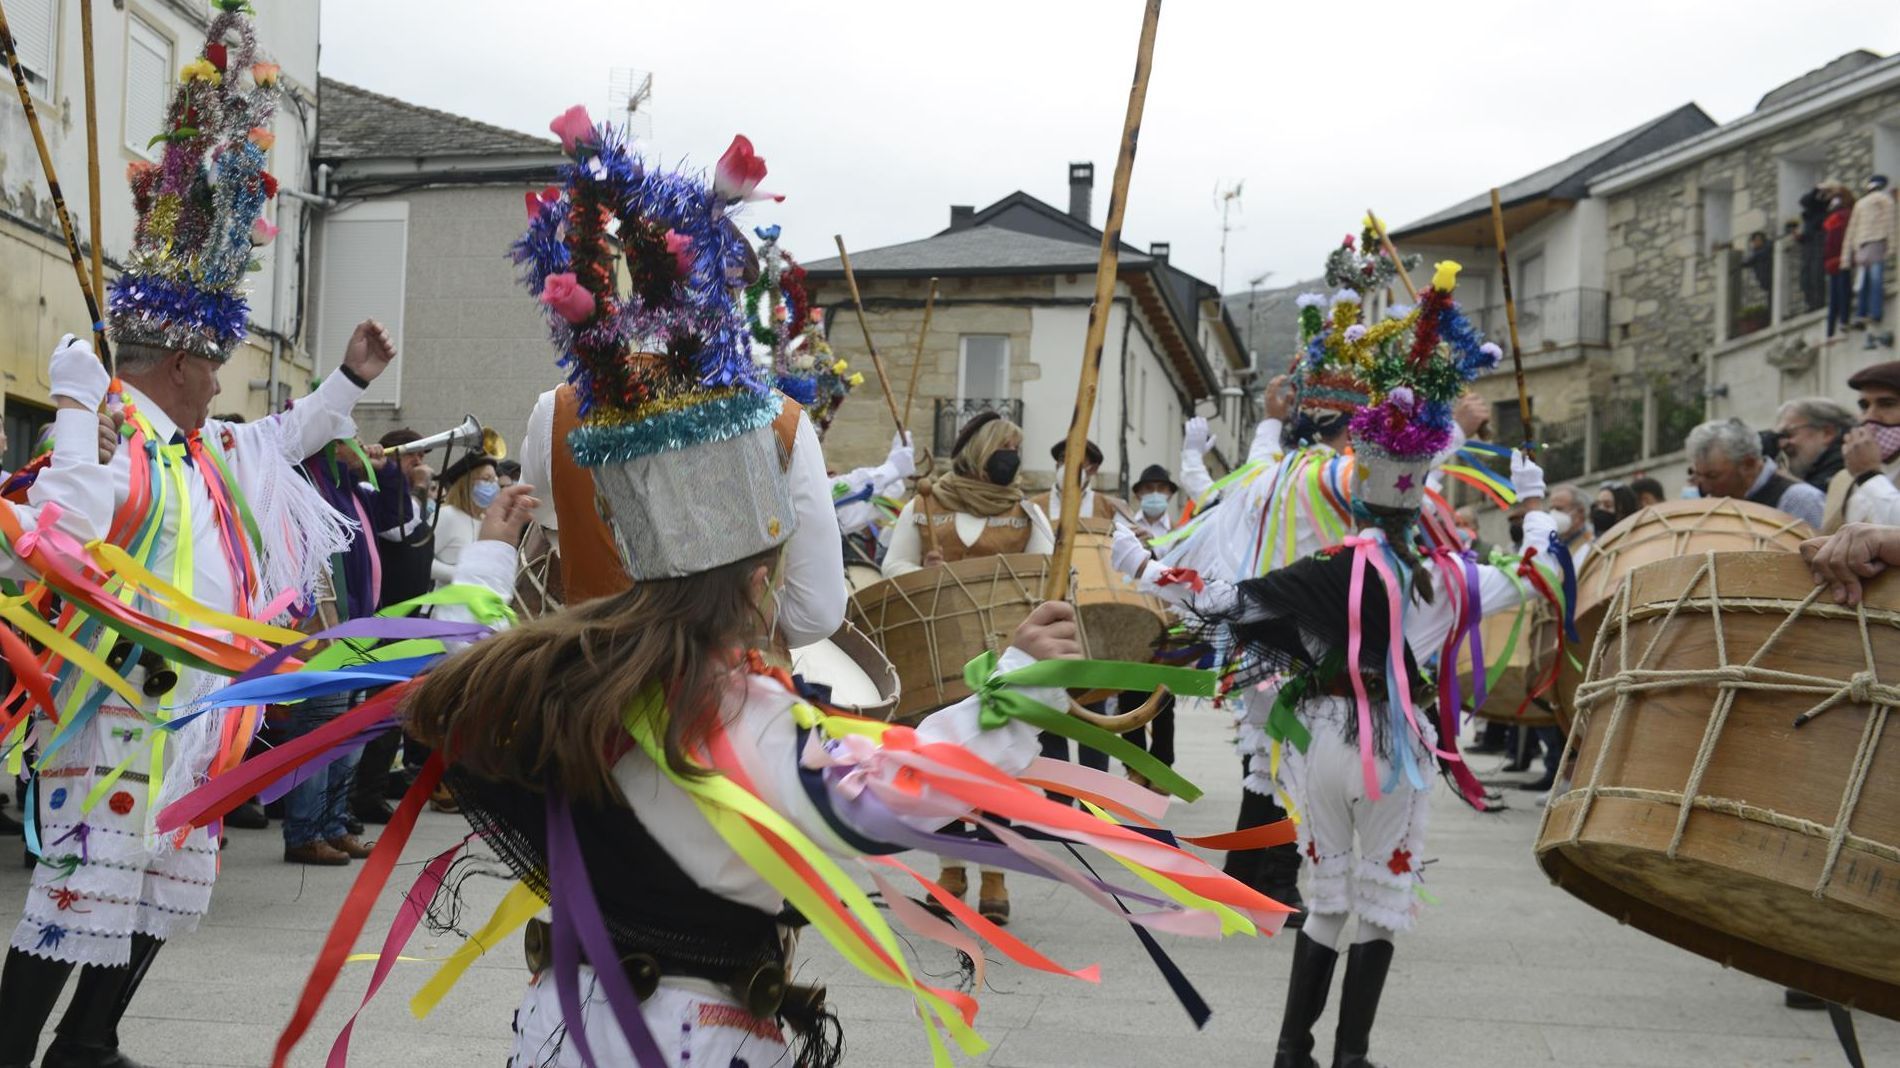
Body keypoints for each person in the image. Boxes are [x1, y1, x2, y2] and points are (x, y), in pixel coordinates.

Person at [380, 113, 1286, 1066]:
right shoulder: (745, 723)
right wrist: (1014, 689)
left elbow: (444, 660)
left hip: (559, 1030)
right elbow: (890, 790)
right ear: (760, 567)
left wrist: (489, 554)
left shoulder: (536, 685)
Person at [0, 14, 394, 1064]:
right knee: (76, 893)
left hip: (188, 718)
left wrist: (349, 382)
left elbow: (281, 435)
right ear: (175, 360)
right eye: (212, 360)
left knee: (155, 897)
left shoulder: (204, 443)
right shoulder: (111, 440)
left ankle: (90, 1044)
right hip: (108, 709)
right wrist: (77, 403)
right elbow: (66, 534)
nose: (223, 376)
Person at [883, 412, 1052, 577]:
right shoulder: (922, 505)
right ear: (979, 450)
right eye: (1005, 446)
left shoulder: (1028, 514)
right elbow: (893, 566)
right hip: (934, 605)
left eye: (1016, 448)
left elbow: (1047, 572)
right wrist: (926, 575)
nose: (1012, 455)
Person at [1687, 418, 1826, 529]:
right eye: (1697, 475)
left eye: (1712, 476)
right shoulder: (1719, 501)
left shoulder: (1801, 501)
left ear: (1749, 464)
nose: (1704, 488)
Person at [1830, 361, 1900, 529]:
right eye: (1864, 406)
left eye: (1887, 404)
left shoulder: (1862, 473)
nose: (1870, 416)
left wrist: (1869, 476)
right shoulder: (1844, 479)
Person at [429, 453, 499, 591]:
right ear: (466, 484)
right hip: (448, 605)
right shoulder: (446, 516)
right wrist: (460, 574)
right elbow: (421, 561)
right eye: (487, 479)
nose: (494, 485)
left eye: (495, 479)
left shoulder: (486, 521)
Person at [1846, 174, 1896, 346]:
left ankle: (1861, 313)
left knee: (1862, 282)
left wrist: (1847, 255)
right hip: (1876, 242)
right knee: (1876, 279)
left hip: (1861, 246)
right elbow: (1890, 223)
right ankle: (1874, 312)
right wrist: (1893, 246)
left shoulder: (1860, 203)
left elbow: (1851, 230)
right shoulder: (1884, 200)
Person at [1037, 438, 1129, 524]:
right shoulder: (1034, 506)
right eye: (1062, 459)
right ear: (1057, 466)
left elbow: (1128, 538)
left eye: (1076, 459)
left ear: (1093, 469)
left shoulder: (1109, 508)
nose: (1067, 465)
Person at [1774, 398, 1854, 490]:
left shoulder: (1847, 464)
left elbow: (1813, 498)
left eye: (1788, 434)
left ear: (1827, 433)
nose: (1782, 444)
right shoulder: (1819, 467)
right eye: (1779, 437)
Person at [1825, 188, 1857, 342]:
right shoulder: (1847, 216)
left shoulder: (1833, 219)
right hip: (1842, 258)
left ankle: (1830, 331)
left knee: (1834, 295)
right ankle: (1843, 321)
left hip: (1833, 260)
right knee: (1843, 292)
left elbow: (1829, 242)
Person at [1130, 463, 1179, 541]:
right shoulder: (1127, 527)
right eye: (1148, 488)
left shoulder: (1178, 533)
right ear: (1138, 495)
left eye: (1161, 488)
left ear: (1170, 495)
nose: (1155, 493)